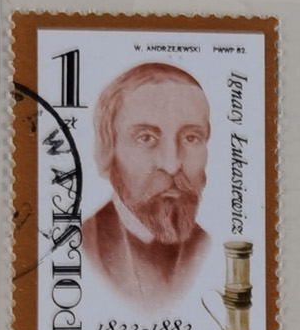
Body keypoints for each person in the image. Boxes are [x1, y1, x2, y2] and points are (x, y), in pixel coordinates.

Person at [80, 59, 212, 309]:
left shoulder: (209, 250)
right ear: (108, 150)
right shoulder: (81, 247)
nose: (172, 165)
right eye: (146, 138)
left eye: (191, 138)